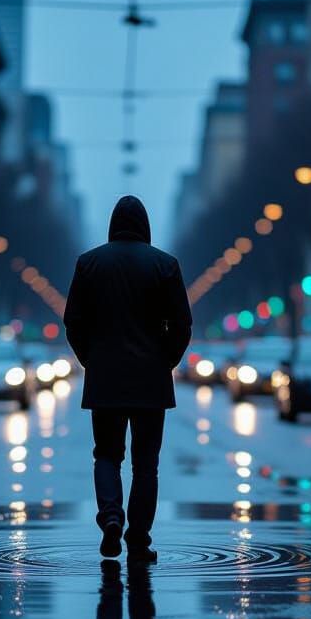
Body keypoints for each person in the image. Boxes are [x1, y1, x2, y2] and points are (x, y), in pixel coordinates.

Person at [63, 195, 192, 562]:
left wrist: (91, 358)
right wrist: (165, 360)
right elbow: (183, 324)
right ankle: (138, 538)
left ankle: (111, 516)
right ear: (146, 226)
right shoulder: (165, 265)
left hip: (105, 380)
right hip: (151, 381)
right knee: (146, 464)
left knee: (106, 455)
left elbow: (73, 321)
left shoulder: (89, 264)